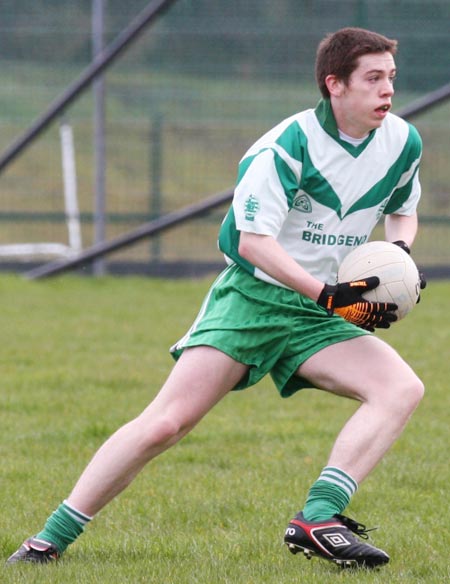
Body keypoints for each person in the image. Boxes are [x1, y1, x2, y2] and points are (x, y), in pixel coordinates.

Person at [7, 27, 426, 569]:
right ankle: (48, 540)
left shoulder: (401, 141)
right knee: (165, 424)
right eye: (373, 79)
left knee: (400, 388)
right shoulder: (285, 147)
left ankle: (318, 517)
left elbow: (403, 206)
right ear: (335, 85)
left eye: (391, 78)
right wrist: (326, 293)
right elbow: (253, 244)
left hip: (322, 309)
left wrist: (399, 252)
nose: (387, 91)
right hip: (253, 298)